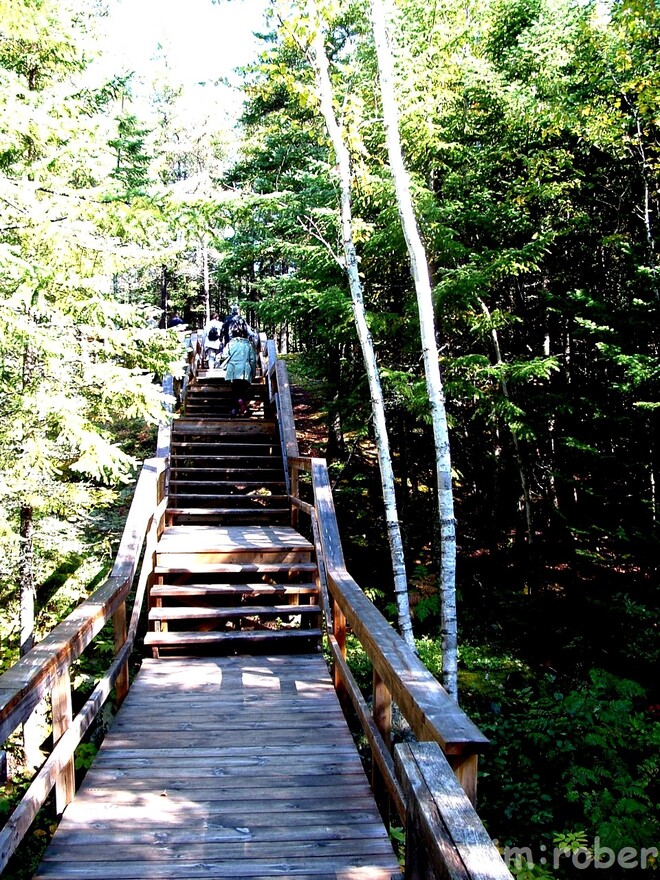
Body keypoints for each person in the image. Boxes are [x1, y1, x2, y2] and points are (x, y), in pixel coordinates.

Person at [224, 334, 257, 416]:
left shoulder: (230, 344)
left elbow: (224, 356)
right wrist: (253, 373)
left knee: (234, 390)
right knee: (243, 390)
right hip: (244, 371)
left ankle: (233, 410)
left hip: (233, 370)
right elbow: (252, 359)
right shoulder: (248, 344)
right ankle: (242, 403)